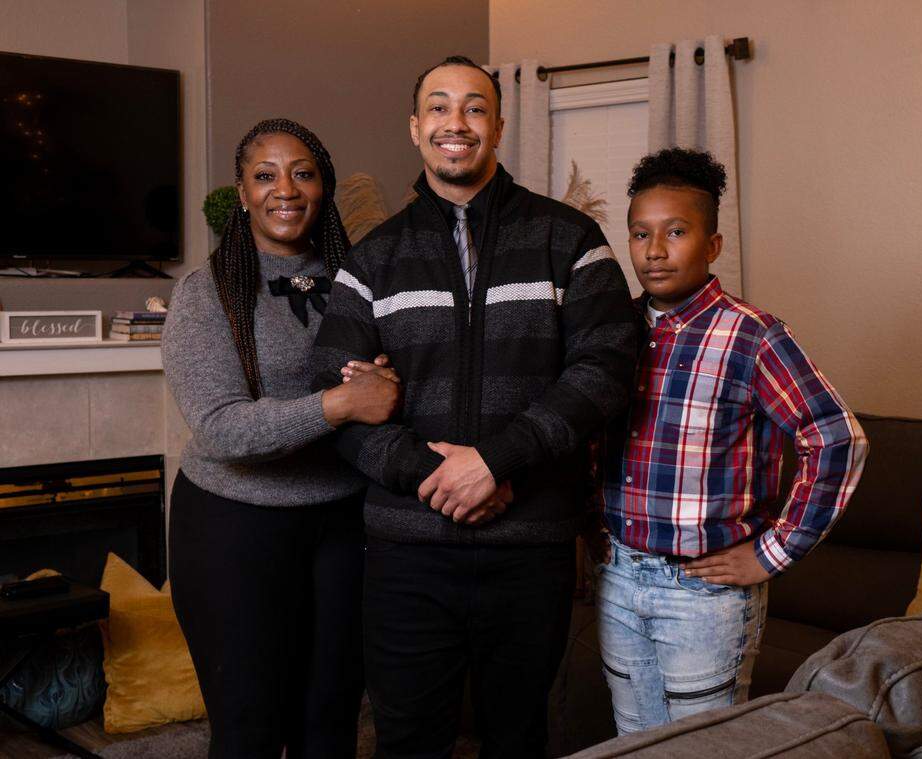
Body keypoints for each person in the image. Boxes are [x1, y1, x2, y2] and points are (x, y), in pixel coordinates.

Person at [310, 56, 639, 757]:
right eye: (438, 107)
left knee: (518, 737)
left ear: (497, 124)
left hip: (531, 550)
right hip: (406, 556)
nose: (455, 123)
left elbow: (607, 369)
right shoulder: (371, 260)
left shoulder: (570, 240)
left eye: (474, 107)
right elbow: (337, 401)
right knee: (408, 741)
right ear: (414, 127)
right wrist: (439, 474)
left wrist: (498, 459)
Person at [593, 148, 868, 733]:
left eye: (676, 232)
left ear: (713, 245)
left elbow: (837, 438)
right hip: (618, 575)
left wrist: (772, 553)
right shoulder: (612, 330)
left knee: (704, 747)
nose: (655, 250)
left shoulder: (751, 334)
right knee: (633, 742)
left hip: (702, 596)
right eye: (640, 234)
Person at [163, 118, 400, 758]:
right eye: (264, 176)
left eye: (302, 173)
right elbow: (219, 427)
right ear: (241, 194)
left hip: (345, 524)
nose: (284, 189)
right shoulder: (205, 293)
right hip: (233, 529)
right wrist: (340, 403)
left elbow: (397, 388)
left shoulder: (363, 282)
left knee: (331, 723)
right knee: (249, 730)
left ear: (321, 187)